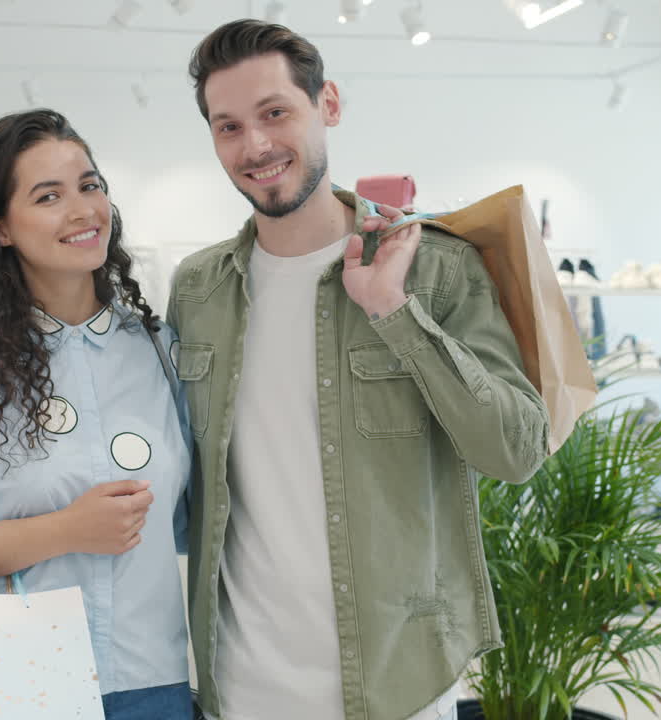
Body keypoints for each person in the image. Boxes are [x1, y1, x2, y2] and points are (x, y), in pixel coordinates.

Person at [167, 19, 552, 720]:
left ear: (330, 105)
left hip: (398, 682)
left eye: (275, 112)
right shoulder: (198, 289)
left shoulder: (433, 266)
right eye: (228, 126)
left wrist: (393, 312)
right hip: (239, 684)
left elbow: (518, 451)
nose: (254, 145)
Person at [0, 109, 194, 720]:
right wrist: (62, 531)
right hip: (10, 686)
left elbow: (193, 518)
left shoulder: (159, 351)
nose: (82, 210)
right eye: (49, 196)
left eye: (89, 185)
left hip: (153, 683)